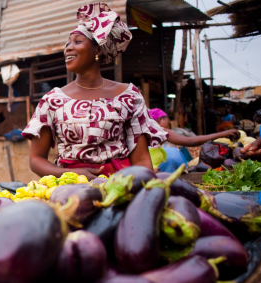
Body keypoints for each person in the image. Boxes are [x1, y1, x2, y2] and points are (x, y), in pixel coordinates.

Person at [23, 3, 168, 180]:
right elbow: (36, 159)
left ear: (98, 49)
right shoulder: (53, 100)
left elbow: (141, 159)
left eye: (77, 41)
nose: (68, 48)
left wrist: (143, 188)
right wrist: (73, 174)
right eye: (67, 43)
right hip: (70, 189)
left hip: (120, 185)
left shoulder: (128, 96)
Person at [149, 108, 238, 173]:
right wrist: (222, 134)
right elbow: (191, 141)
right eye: (167, 119)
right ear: (160, 119)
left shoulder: (145, 132)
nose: (169, 122)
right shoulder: (159, 132)